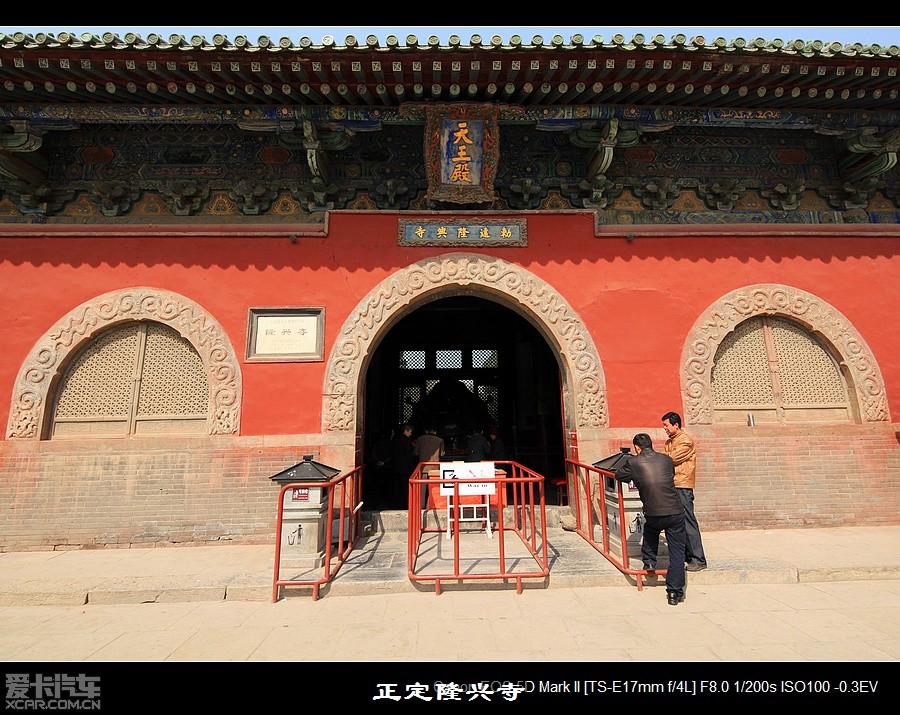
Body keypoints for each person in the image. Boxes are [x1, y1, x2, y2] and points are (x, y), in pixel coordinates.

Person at [615, 433, 687, 606]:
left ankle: (649, 562)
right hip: (675, 510)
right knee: (677, 553)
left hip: (653, 512)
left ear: (637, 448)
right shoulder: (666, 459)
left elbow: (619, 475)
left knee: (651, 530)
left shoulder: (634, 462)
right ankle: (674, 593)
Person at [662, 411, 708, 572]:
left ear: (676, 424)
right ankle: (688, 556)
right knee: (678, 522)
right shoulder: (670, 442)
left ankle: (698, 558)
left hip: (682, 484)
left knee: (688, 521)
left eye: (667, 425)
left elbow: (670, 459)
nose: (665, 429)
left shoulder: (685, 441)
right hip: (673, 484)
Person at [414, 424, 445, 508]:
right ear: (435, 432)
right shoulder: (440, 440)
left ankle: (422, 506)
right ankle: (432, 505)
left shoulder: (420, 439)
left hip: (423, 467)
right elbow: (442, 454)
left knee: (422, 489)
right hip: (434, 468)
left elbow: (416, 452)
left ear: (426, 431)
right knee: (434, 489)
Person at [365, 427, 393, 509]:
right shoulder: (391, 444)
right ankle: (388, 502)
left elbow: (373, 454)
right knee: (388, 485)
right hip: (388, 467)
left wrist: (378, 461)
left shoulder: (377, 443)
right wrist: (384, 462)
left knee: (378, 485)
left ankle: (378, 502)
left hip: (378, 467)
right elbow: (392, 455)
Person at [390, 423, 417, 508]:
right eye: (410, 432)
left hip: (396, 466)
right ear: (406, 431)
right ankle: (404, 504)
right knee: (405, 487)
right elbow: (407, 455)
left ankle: (395, 504)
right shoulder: (407, 440)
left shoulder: (396, 439)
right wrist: (412, 467)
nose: (411, 434)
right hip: (405, 467)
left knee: (396, 487)